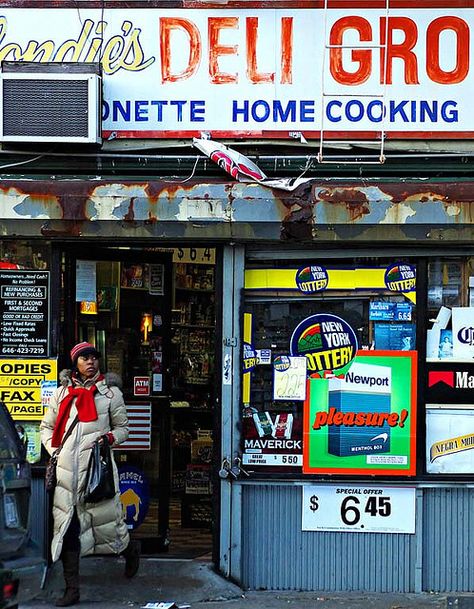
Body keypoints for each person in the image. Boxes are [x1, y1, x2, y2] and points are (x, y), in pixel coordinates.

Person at [40, 342, 140, 607]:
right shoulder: (61, 394)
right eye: (84, 358)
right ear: (76, 363)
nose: (90, 362)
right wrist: (55, 450)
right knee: (68, 530)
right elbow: (46, 428)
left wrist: (109, 438)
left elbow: (124, 429)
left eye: (94, 358)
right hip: (66, 475)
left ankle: (130, 550)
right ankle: (72, 589)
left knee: (108, 526)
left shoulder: (110, 395)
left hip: (96, 471)